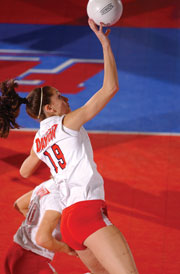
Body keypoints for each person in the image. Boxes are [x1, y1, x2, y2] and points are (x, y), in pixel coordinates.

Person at [0, 19, 139, 274]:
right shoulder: (66, 123)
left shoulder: (39, 140)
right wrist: (106, 44)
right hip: (88, 212)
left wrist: (48, 166)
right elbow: (110, 88)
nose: (66, 99)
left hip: (70, 224)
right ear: (49, 109)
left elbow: (24, 171)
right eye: (60, 97)